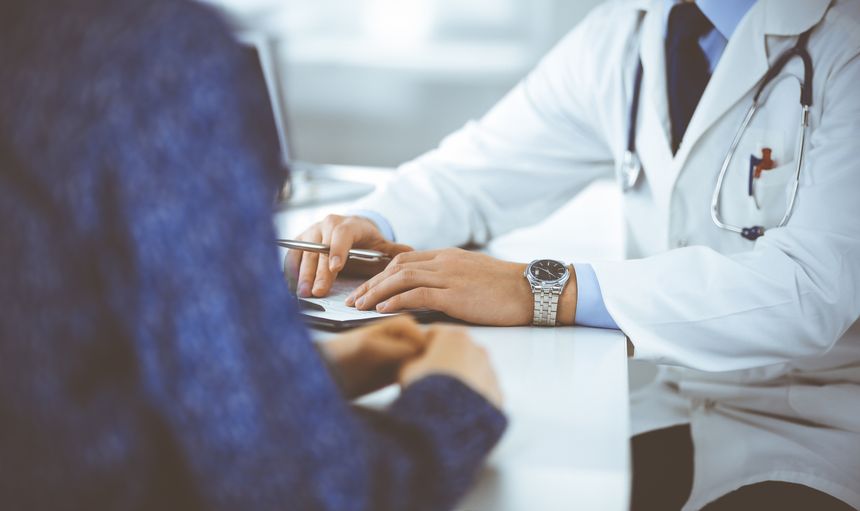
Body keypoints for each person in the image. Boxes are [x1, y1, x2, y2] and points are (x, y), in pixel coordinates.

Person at [290, 0, 860, 509]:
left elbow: (811, 287)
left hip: (815, 421)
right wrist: (374, 221)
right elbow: (479, 168)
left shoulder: (846, 41)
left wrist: (541, 289)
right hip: (676, 398)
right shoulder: (628, 28)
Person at [0, 1, 507, 510]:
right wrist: (452, 406)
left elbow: (48, 389)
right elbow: (305, 492)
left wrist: (282, 373)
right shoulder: (145, 54)